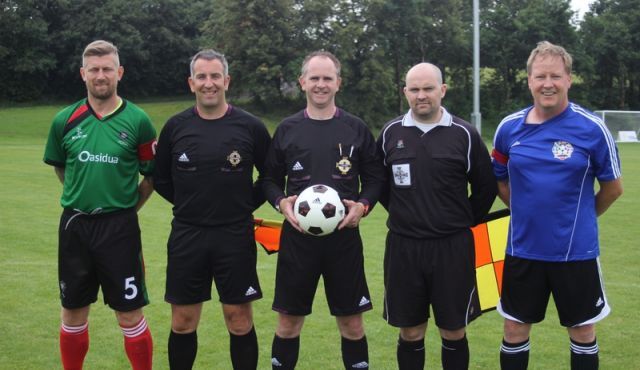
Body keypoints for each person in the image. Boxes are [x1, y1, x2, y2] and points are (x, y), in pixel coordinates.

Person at [492, 41, 623, 370]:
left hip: (574, 252)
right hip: (522, 250)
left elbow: (613, 187)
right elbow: (499, 179)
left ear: (569, 79)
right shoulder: (509, 129)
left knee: (581, 330)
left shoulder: (592, 129)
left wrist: (581, 217)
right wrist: (524, 212)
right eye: (540, 76)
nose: (547, 83)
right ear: (529, 81)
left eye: (555, 76)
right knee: (513, 328)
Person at [262, 50, 385, 369]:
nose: (320, 84)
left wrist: (363, 205)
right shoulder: (288, 129)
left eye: (327, 78)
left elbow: (375, 179)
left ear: (338, 83)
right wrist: (281, 202)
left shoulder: (356, 129)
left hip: (343, 242)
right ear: (302, 82)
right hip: (297, 241)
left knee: (353, 326)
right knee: (288, 325)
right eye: (314, 78)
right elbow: (269, 180)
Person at [153, 49, 271, 370]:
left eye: (215, 76)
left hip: (235, 235)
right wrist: (188, 203)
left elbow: (272, 175)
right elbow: (160, 178)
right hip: (187, 234)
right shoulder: (176, 127)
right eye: (202, 77)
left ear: (226, 81)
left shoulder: (250, 126)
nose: (209, 83)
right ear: (191, 83)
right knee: (182, 321)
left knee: (239, 320)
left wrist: (246, 203)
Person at [43, 40, 155, 370]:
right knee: (73, 309)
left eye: (107, 69)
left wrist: (127, 208)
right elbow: (60, 166)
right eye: (94, 69)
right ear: (83, 74)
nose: (101, 75)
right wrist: (82, 196)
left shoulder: (138, 121)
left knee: (129, 312)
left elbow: (150, 175)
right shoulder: (64, 120)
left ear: (119, 73)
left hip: (119, 228)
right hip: (75, 225)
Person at [376, 63, 497, 369]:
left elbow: (485, 188)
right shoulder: (391, 133)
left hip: (452, 248)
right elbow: (380, 185)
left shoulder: (465, 134)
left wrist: (460, 220)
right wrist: (407, 214)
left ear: (442, 90)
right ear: (405, 92)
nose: (421, 96)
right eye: (414, 89)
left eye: (428, 88)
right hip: (404, 247)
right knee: (411, 330)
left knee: (453, 329)